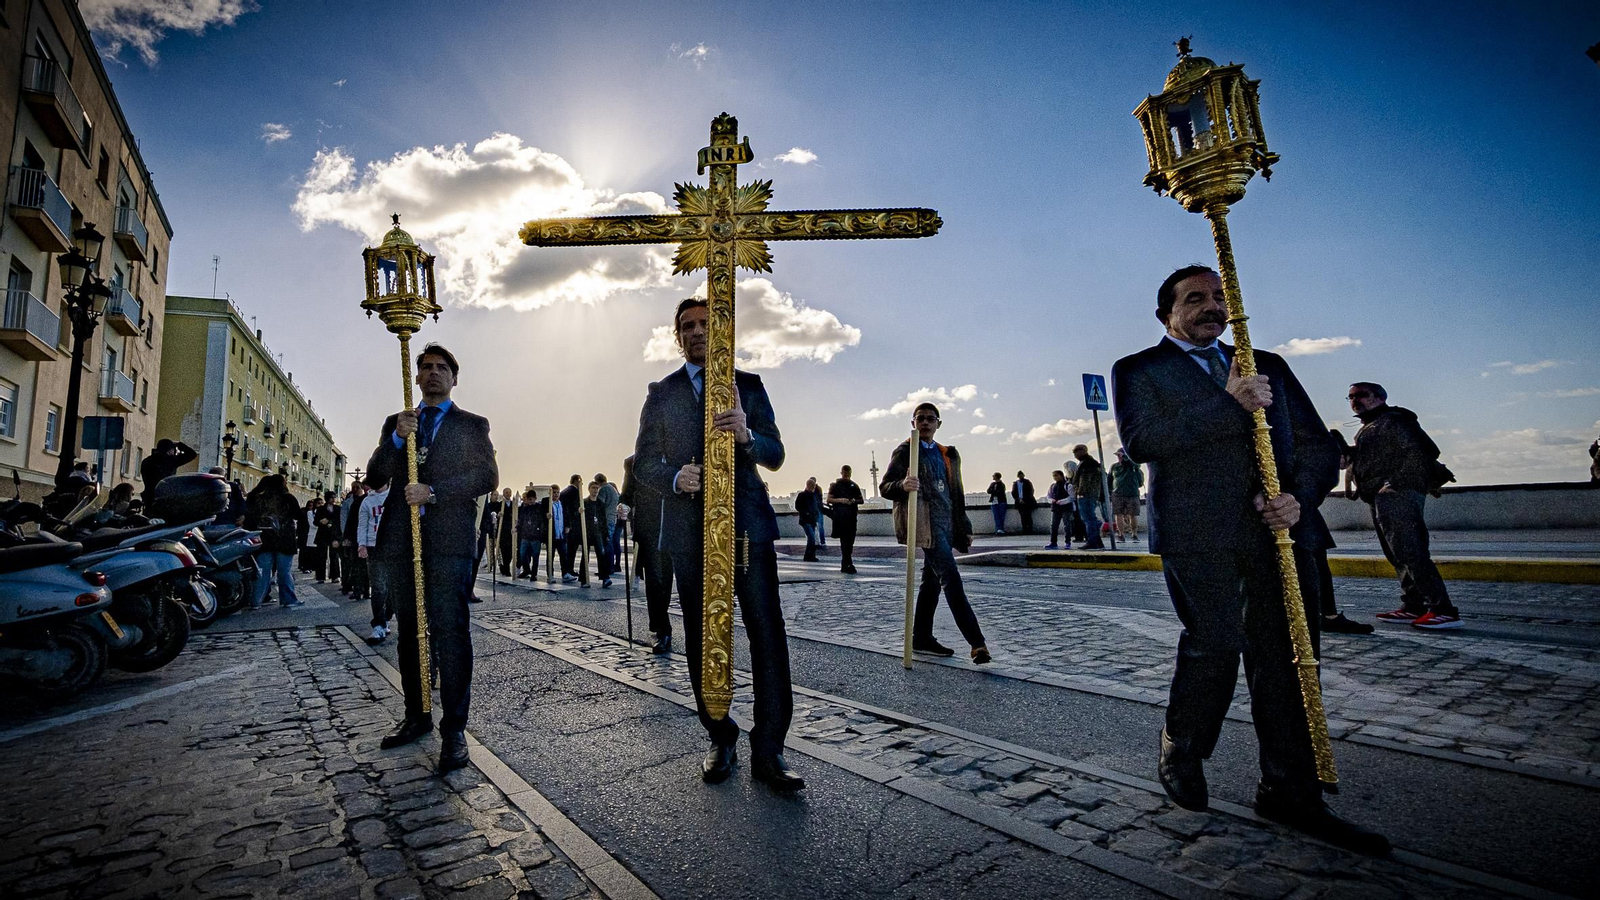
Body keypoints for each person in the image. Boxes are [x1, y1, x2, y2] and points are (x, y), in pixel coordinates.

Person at [1112, 264, 1386, 855]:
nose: (1213, 307)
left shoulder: (1269, 364)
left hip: (1280, 532)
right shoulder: (1139, 369)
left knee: (1288, 660)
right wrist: (1230, 404)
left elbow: (1316, 444)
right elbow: (1142, 441)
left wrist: (1298, 496)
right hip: (1198, 532)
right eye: (1196, 299)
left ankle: (1291, 791)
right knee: (1215, 641)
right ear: (1167, 315)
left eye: (1220, 297)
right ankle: (1182, 744)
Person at [633, 296, 801, 791]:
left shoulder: (747, 385)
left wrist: (748, 435)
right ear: (676, 335)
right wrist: (672, 477)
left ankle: (769, 748)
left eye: (706, 324)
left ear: (722, 330)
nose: (697, 331)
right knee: (703, 641)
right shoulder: (661, 393)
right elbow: (641, 463)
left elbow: (776, 454)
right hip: (688, 532)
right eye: (687, 326)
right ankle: (720, 734)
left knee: (766, 633)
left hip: (747, 528)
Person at [365, 343, 498, 773]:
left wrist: (434, 492)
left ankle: (454, 728)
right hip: (403, 542)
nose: (434, 373)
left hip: (449, 542)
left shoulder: (471, 425)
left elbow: (486, 476)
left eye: (442, 368)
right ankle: (417, 713)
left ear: (454, 378)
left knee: (450, 632)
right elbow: (374, 475)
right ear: (417, 377)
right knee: (409, 633)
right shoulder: (399, 421)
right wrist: (397, 438)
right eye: (426, 367)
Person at [1347, 382, 1462, 630]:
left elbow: (1424, 451)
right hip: (1379, 496)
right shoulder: (1371, 426)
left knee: (1411, 551)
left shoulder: (1394, 420)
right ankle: (1414, 605)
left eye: (1362, 395)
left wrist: (1394, 484)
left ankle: (1442, 610)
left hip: (1396, 495)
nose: (1356, 401)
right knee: (1398, 554)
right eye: (1351, 397)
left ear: (1379, 397)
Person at [882, 402, 991, 665]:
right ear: (913, 423)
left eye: (931, 419)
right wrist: (902, 484)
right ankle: (977, 644)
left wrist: (964, 527)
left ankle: (921, 639)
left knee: (930, 584)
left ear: (938, 424)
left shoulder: (948, 454)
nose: (926, 423)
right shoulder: (906, 451)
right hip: (924, 524)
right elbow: (886, 487)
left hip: (946, 523)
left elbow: (957, 492)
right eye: (920, 418)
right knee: (951, 579)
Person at [622, 455, 674, 654]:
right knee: (655, 580)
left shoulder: (678, 455)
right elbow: (626, 494)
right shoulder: (634, 462)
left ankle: (660, 622)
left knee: (667, 581)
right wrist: (623, 507)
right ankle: (662, 629)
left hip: (675, 528)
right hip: (649, 531)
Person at [245, 474, 303, 610]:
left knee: (262, 571)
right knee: (284, 571)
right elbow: (298, 515)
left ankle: (256, 601)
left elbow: (251, 517)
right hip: (284, 538)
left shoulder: (260, 498)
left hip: (265, 538)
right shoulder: (288, 498)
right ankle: (288, 599)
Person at [358, 478, 391, 643]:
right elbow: (362, 525)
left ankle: (386, 617)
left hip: (393, 547)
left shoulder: (394, 495)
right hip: (373, 547)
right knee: (378, 588)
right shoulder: (367, 501)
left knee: (393, 589)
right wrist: (361, 545)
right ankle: (378, 625)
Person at [827, 465, 864, 573]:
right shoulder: (835, 485)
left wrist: (853, 501)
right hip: (840, 517)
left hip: (851, 517)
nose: (846, 475)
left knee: (850, 541)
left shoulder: (854, 485)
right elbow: (829, 499)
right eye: (845, 473)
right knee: (845, 541)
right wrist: (841, 500)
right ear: (841, 473)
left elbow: (861, 500)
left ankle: (846, 563)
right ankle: (848, 563)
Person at [1070, 445, 1107, 549]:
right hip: (1091, 494)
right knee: (1090, 517)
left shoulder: (1087, 464)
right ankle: (1097, 541)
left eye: (1076, 452)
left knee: (1088, 518)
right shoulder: (1089, 463)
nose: (1075, 455)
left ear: (1082, 451)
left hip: (1086, 494)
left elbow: (1085, 481)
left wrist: (1079, 492)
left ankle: (1092, 541)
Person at [139, 439, 197, 506]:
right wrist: (179, 444)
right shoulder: (171, 461)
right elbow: (192, 454)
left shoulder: (146, 461)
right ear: (169, 451)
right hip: (166, 497)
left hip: (149, 497)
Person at [582, 481, 614, 588]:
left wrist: (606, 534)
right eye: (593, 488)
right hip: (587, 531)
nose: (595, 490)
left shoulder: (600, 503)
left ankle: (605, 578)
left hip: (597, 532)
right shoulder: (584, 503)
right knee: (585, 555)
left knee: (601, 554)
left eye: (596, 488)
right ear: (589, 489)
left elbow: (603, 520)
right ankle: (584, 579)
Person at [342, 482, 370, 601]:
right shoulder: (358, 502)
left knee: (365, 567)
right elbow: (350, 520)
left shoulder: (367, 500)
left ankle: (365, 591)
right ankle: (358, 590)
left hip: (369, 538)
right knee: (358, 566)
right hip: (357, 537)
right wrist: (347, 537)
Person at [1110, 448, 1144, 542]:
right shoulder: (1114, 467)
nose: (1119, 458)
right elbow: (1109, 479)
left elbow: (1137, 467)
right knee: (1118, 514)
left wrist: (1126, 458)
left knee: (1133, 514)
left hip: (1132, 493)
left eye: (1120, 455)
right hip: (1117, 493)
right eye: (1118, 456)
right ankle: (1121, 534)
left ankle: (1134, 534)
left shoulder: (1133, 466)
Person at [597, 473, 623, 576]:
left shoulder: (603, 489)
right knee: (611, 543)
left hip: (606, 519)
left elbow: (599, 504)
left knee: (607, 543)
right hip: (613, 519)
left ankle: (608, 567)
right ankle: (612, 566)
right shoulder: (613, 489)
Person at [516, 489, 545, 578]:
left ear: (535, 498)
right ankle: (526, 570)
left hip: (535, 536)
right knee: (522, 554)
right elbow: (521, 521)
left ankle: (534, 573)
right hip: (525, 535)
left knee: (535, 556)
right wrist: (516, 528)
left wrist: (541, 534)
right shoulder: (524, 509)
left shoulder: (539, 508)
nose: (530, 501)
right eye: (529, 499)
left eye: (531, 499)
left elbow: (542, 521)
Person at [558, 475, 582, 583]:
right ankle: (570, 569)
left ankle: (569, 569)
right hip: (573, 524)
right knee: (572, 548)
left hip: (566, 523)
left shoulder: (564, 492)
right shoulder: (574, 492)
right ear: (577, 481)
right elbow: (574, 509)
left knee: (569, 548)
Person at [796, 477, 824, 561]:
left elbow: (817, 506)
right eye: (812, 485)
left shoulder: (813, 495)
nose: (814, 487)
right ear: (808, 485)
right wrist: (807, 513)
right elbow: (798, 507)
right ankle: (809, 555)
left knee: (811, 538)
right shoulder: (802, 495)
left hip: (812, 520)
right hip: (805, 520)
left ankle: (810, 555)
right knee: (811, 537)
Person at [1045, 470, 1073, 550]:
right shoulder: (1053, 486)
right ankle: (1053, 542)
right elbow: (1048, 496)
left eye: (1056, 475)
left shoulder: (1068, 485)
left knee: (1067, 525)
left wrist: (1062, 502)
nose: (1055, 477)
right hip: (1055, 508)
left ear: (1061, 475)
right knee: (1053, 526)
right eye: (1053, 476)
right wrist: (1052, 501)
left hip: (1066, 508)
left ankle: (1068, 542)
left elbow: (1071, 497)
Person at [312, 496, 339, 583]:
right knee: (321, 556)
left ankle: (334, 576)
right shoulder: (321, 509)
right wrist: (320, 521)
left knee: (334, 556)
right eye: (331, 497)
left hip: (333, 534)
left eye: (334, 497)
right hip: (322, 534)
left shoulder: (337, 508)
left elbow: (339, 521)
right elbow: (315, 521)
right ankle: (320, 577)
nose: (333, 499)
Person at [1011, 471, 1037, 535]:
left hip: (1028, 502)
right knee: (1022, 516)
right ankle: (1024, 529)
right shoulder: (1015, 484)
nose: (1020, 476)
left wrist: (1025, 499)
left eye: (1021, 475)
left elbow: (1031, 491)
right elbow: (1013, 492)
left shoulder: (1027, 482)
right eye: (1019, 475)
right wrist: (1018, 499)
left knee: (1028, 515)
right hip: (1019, 502)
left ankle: (1030, 529)